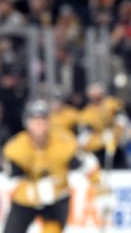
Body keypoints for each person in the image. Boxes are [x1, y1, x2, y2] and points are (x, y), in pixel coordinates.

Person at [3, 100, 108, 233]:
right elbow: (8, 178)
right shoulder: (15, 148)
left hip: (57, 199)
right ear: (27, 122)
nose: (38, 124)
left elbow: (87, 166)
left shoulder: (65, 143)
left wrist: (102, 189)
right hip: (26, 200)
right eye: (34, 120)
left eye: (42, 119)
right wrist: (33, 191)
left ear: (49, 122)